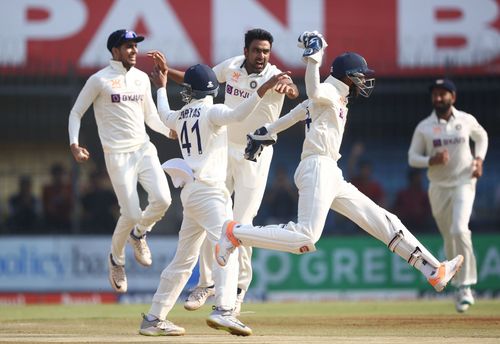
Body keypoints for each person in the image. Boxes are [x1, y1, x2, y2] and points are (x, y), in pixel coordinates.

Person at [216, 32, 464, 312]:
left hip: (330, 171)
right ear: (347, 76)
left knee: (384, 220)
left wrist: (266, 132)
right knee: (306, 237)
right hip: (317, 167)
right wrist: (314, 58)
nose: (364, 80)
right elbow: (312, 92)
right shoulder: (330, 92)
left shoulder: (336, 96)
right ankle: (235, 233)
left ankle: (433, 270)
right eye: (360, 75)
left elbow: (296, 112)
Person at [148, 28, 299, 314]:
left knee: (240, 223)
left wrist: (286, 88)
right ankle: (207, 283)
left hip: (256, 155)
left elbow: (291, 90)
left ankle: (237, 290)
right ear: (246, 51)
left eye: (266, 51)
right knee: (213, 221)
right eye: (256, 50)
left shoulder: (276, 75)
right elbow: (201, 80)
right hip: (224, 150)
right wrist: (168, 72)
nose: (261, 56)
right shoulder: (231, 67)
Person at [68, 29, 174, 293]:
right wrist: (74, 144)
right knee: (131, 212)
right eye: (128, 46)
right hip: (117, 155)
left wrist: (168, 130)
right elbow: (76, 112)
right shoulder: (99, 80)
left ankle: (138, 234)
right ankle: (117, 259)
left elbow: (151, 117)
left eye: (135, 46)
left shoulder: (140, 78)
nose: (134, 51)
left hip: (144, 148)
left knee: (164, 199)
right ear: (115, 51)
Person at [408, 78, 488, 313]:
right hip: (438, 187)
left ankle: (466, 285)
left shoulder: (466, 120)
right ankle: (456, 283)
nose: (438, 98)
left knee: (459, 230)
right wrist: (430, 160)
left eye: (443, 94)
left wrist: (479, 159)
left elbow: (481, 137)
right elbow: (413, 157)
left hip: (464, 182)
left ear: (453, 97)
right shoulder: (424, 127)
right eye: (435, 94)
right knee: (448, 236)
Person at [80, 168, 118, 233]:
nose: (96, 181)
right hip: (92, 226)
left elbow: (117, 207)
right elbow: (85, 212)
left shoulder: (108, 194)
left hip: (108, 224)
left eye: (97, 179)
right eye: (93, 180)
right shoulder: (88, 196)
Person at [42, 163, 73, 232]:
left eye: (60, 174)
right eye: (56, 174)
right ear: (53, 175)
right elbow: (47, 207)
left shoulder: (67, 189)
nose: (58, 177)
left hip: (65, 221)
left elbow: (70, 205)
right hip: (51, 221)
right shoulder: (47, 189)